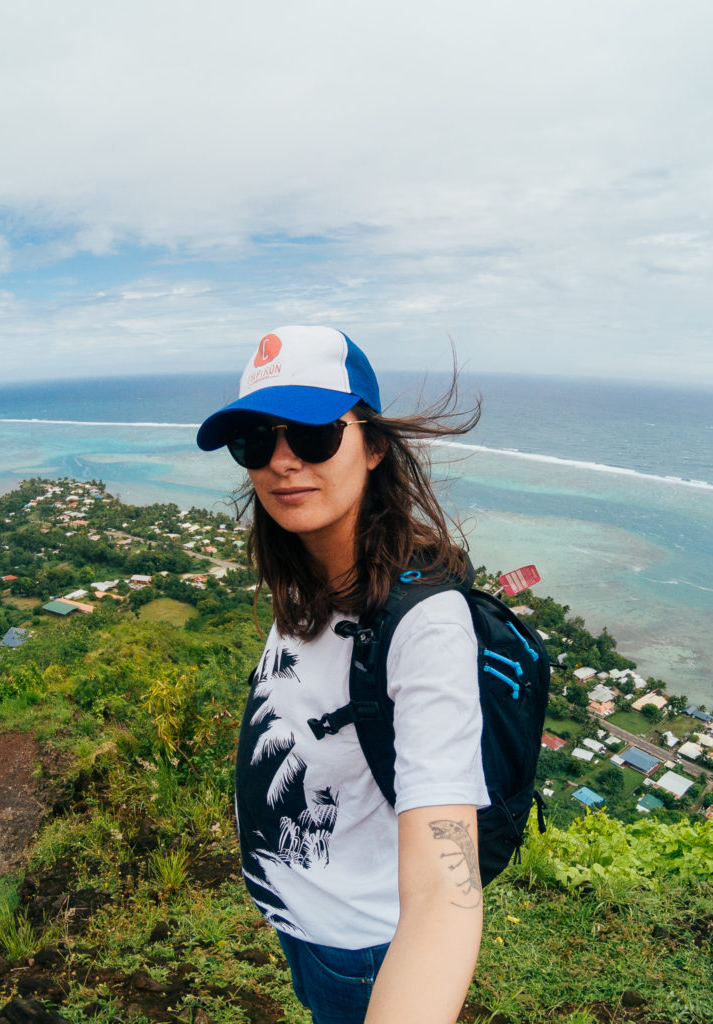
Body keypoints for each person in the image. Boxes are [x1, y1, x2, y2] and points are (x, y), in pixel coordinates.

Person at [196, 325, 487, 1024]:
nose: (282, 462)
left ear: (374, 443)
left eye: (314, 434)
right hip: (302, 921)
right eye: (256, 442)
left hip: (359, 951)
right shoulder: (307, 574)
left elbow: (449, 892)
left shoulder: (427, 623)